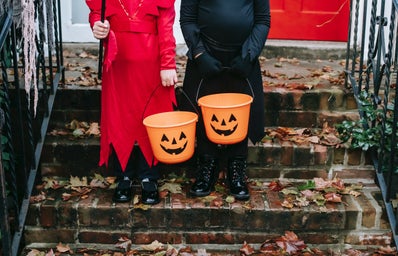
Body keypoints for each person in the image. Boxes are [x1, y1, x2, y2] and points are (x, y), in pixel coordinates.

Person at [86, 0, 178, 204]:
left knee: (151, 117)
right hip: (119, 65)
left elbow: (166, 28)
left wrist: (168, 63)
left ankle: (149, 176)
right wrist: (97, 25)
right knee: (121, 118)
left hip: (151, 66)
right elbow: (97, 13)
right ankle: (124, 175)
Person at [179, 0, 271, 200]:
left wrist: (249, 54)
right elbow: (187, 19)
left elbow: (263, 20)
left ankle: (236, 169)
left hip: (242, 55)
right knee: (202, 110)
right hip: (206, 54)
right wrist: (199, 53)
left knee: (240, 112)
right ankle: (206, 168)